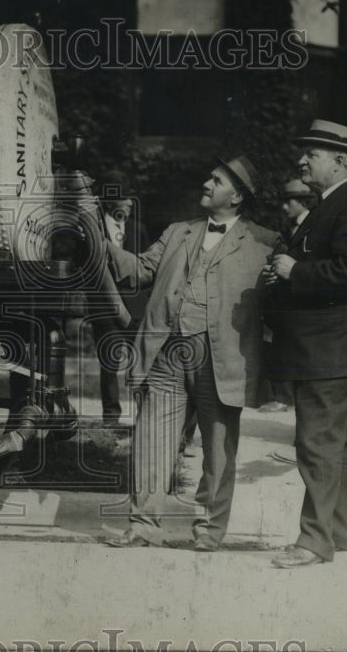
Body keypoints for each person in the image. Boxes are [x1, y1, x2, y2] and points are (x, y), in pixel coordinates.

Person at [103, 156, 275, 551]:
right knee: (150, 441)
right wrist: (103, 239)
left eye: (216, 180)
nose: (206, 183)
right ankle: (143, 525)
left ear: (237, 197)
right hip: (166, 353)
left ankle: (209, 532)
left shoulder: (265, 243)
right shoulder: (178, 232)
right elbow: (137, 271)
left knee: (218, 448)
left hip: (221, 360)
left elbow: (281, 304)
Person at [263, 120, 347, 567]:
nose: (301, 160)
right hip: (333, 349)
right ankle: (339, 534)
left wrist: (294, 271)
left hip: (332, 352)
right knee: (338, 445)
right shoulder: (331, 206)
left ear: (341, 162)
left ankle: (313, 541)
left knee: (316, 443)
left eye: (311, 154)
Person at [92, 170, 149, 425]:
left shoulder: (139, 230)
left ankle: (144, 416)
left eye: (130, 200)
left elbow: (146, 269)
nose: (128, 204)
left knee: (139, 363)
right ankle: (111, 417)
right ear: (110, 201)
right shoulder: (93, 228)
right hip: (105, 307)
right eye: (124, 199)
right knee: (109, 362)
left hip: (135, 308)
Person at [259, 179, 316, 412]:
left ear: (303, 202)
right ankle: (283, 397)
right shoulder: (294, 227)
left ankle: (286, 399)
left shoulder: (312, 226)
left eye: (288, 202)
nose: (284, 207)